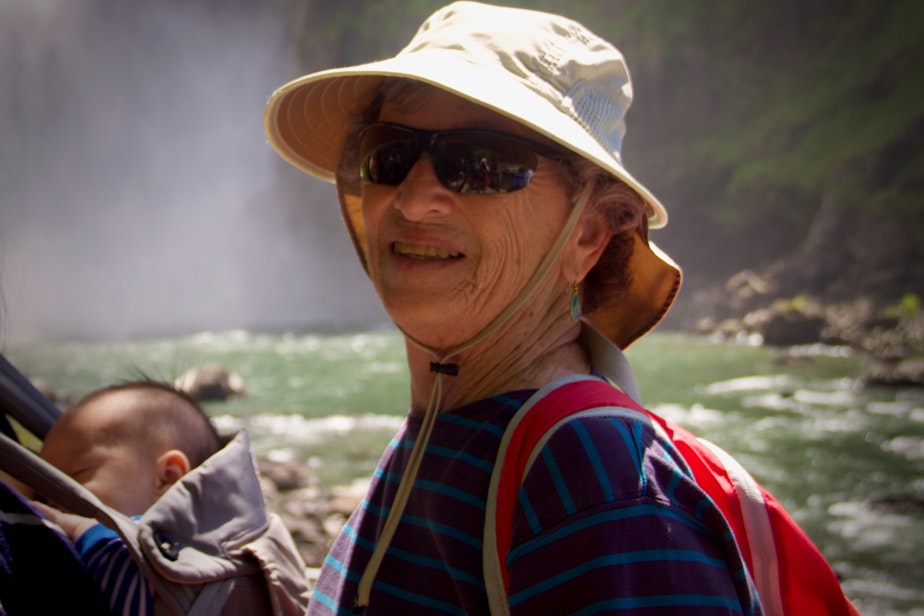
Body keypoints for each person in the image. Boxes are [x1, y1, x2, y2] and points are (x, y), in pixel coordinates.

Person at [263, 2, 856, 614]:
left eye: (481, 164)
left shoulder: (597, 488)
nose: (414, 199)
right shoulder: (442, 429)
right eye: (389, 153)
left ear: (589, 234)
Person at [37, 379, 222, 616]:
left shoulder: (172, 556)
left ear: (167, 478)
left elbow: (123, 560)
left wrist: (81, 529)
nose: (49, 494)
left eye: (78, 473)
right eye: (38, 488)